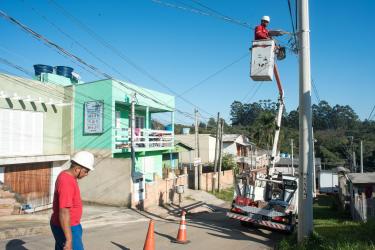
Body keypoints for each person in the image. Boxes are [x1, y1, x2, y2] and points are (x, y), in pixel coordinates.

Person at [50, 151, 95, 250]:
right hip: (67, 227)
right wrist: (69, 240)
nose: (87, 174)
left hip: (67, 225)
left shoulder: (67, 176)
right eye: (86, 171)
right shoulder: (67, 182)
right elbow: (64, 212)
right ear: (77, 169)